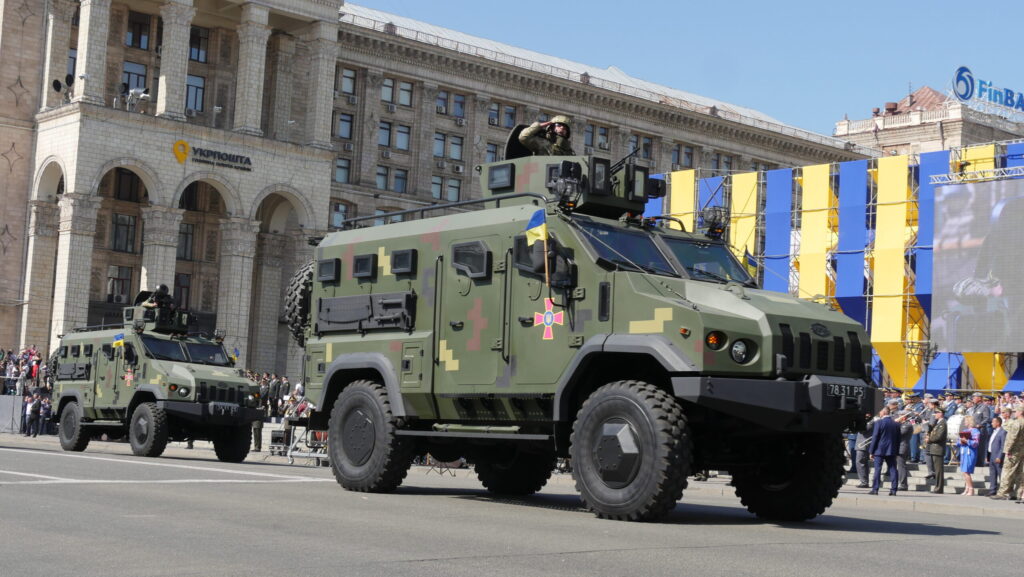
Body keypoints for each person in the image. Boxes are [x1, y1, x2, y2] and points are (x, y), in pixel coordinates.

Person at [990, 406, 1024, 501]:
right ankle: (1017, 493)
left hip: (1013, 451)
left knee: (1007, 471)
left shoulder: (1017, 423)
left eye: (1016, 411)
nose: (1015, 413)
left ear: (1020, 412)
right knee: (1019, 473)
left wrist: (1007, 450)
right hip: (1021, 451)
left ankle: (1003, 493)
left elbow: (1012, 437)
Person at [869, 407, 902, 495]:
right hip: (892, 450)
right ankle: (894, 490)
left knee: (877, 469)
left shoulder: (879, 422)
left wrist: (871, 451)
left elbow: (875, 437)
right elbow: (899, 439)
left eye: (880, 411)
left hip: (879, 450)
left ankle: (875, 489)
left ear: (883, 412)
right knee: (893, 469)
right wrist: (896, 451)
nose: (879, 413)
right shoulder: (896, 424)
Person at [957, 415, 980, 495]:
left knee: (966, 471)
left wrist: (967, 441)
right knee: (964, 471)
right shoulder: (965, 430)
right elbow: (958, 441)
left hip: (970, 452)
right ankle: (966, 488)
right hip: (963, 451)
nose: (964, 422)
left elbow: (976, 443)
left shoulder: (975, 431)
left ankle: (971, 489)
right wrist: (960, 441)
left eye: (966, 421)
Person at [926, 408, 948, 494]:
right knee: (937, 470)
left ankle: (939, 488)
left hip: (938, 449)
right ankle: (937, 487)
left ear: (941, 413)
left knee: (939, 470)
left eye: (936, 412)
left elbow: (939, 436)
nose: (935, 414)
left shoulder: (943, 423)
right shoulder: (938, 423)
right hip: (934, 449)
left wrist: (929, 439)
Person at [988, 416, 1006, 496]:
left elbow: (1003, 446)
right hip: (992, 455)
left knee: (1000, 473)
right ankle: (992, 490)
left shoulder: (1003, 432)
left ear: (998, 423)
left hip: (997, 456)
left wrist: (999, 456)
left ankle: (1002, 491)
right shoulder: (994, 431)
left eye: (993, 422)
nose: (992, 423)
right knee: (992, 474)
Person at [854, 414, 874, 488]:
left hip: (864, 445)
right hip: (860, 444)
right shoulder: (866, 420)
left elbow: (863, 430)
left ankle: (864, 482)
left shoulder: (871, 421)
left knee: (860, 462)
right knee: (861, 463)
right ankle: (864, 481)